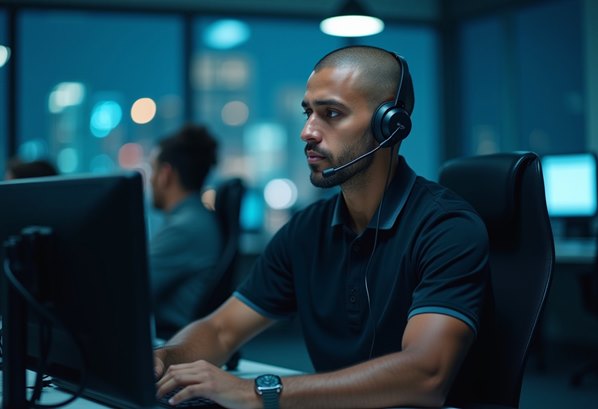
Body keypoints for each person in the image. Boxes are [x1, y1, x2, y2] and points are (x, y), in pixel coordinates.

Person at [154, 45, 490, 409]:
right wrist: (165, 360)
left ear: (389, 125)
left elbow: (426, 375)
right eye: (308, 113)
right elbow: (220, 330)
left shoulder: (446, 227)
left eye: (331, 113)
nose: (307, 131)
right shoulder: (306, 231)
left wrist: (255, 392)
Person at [149, 123, 223, 339]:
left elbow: (127, 292)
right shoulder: (196, 219)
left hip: (172, 341)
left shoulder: (184, 228)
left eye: (152, 170)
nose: (151, 180)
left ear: (165, 174)